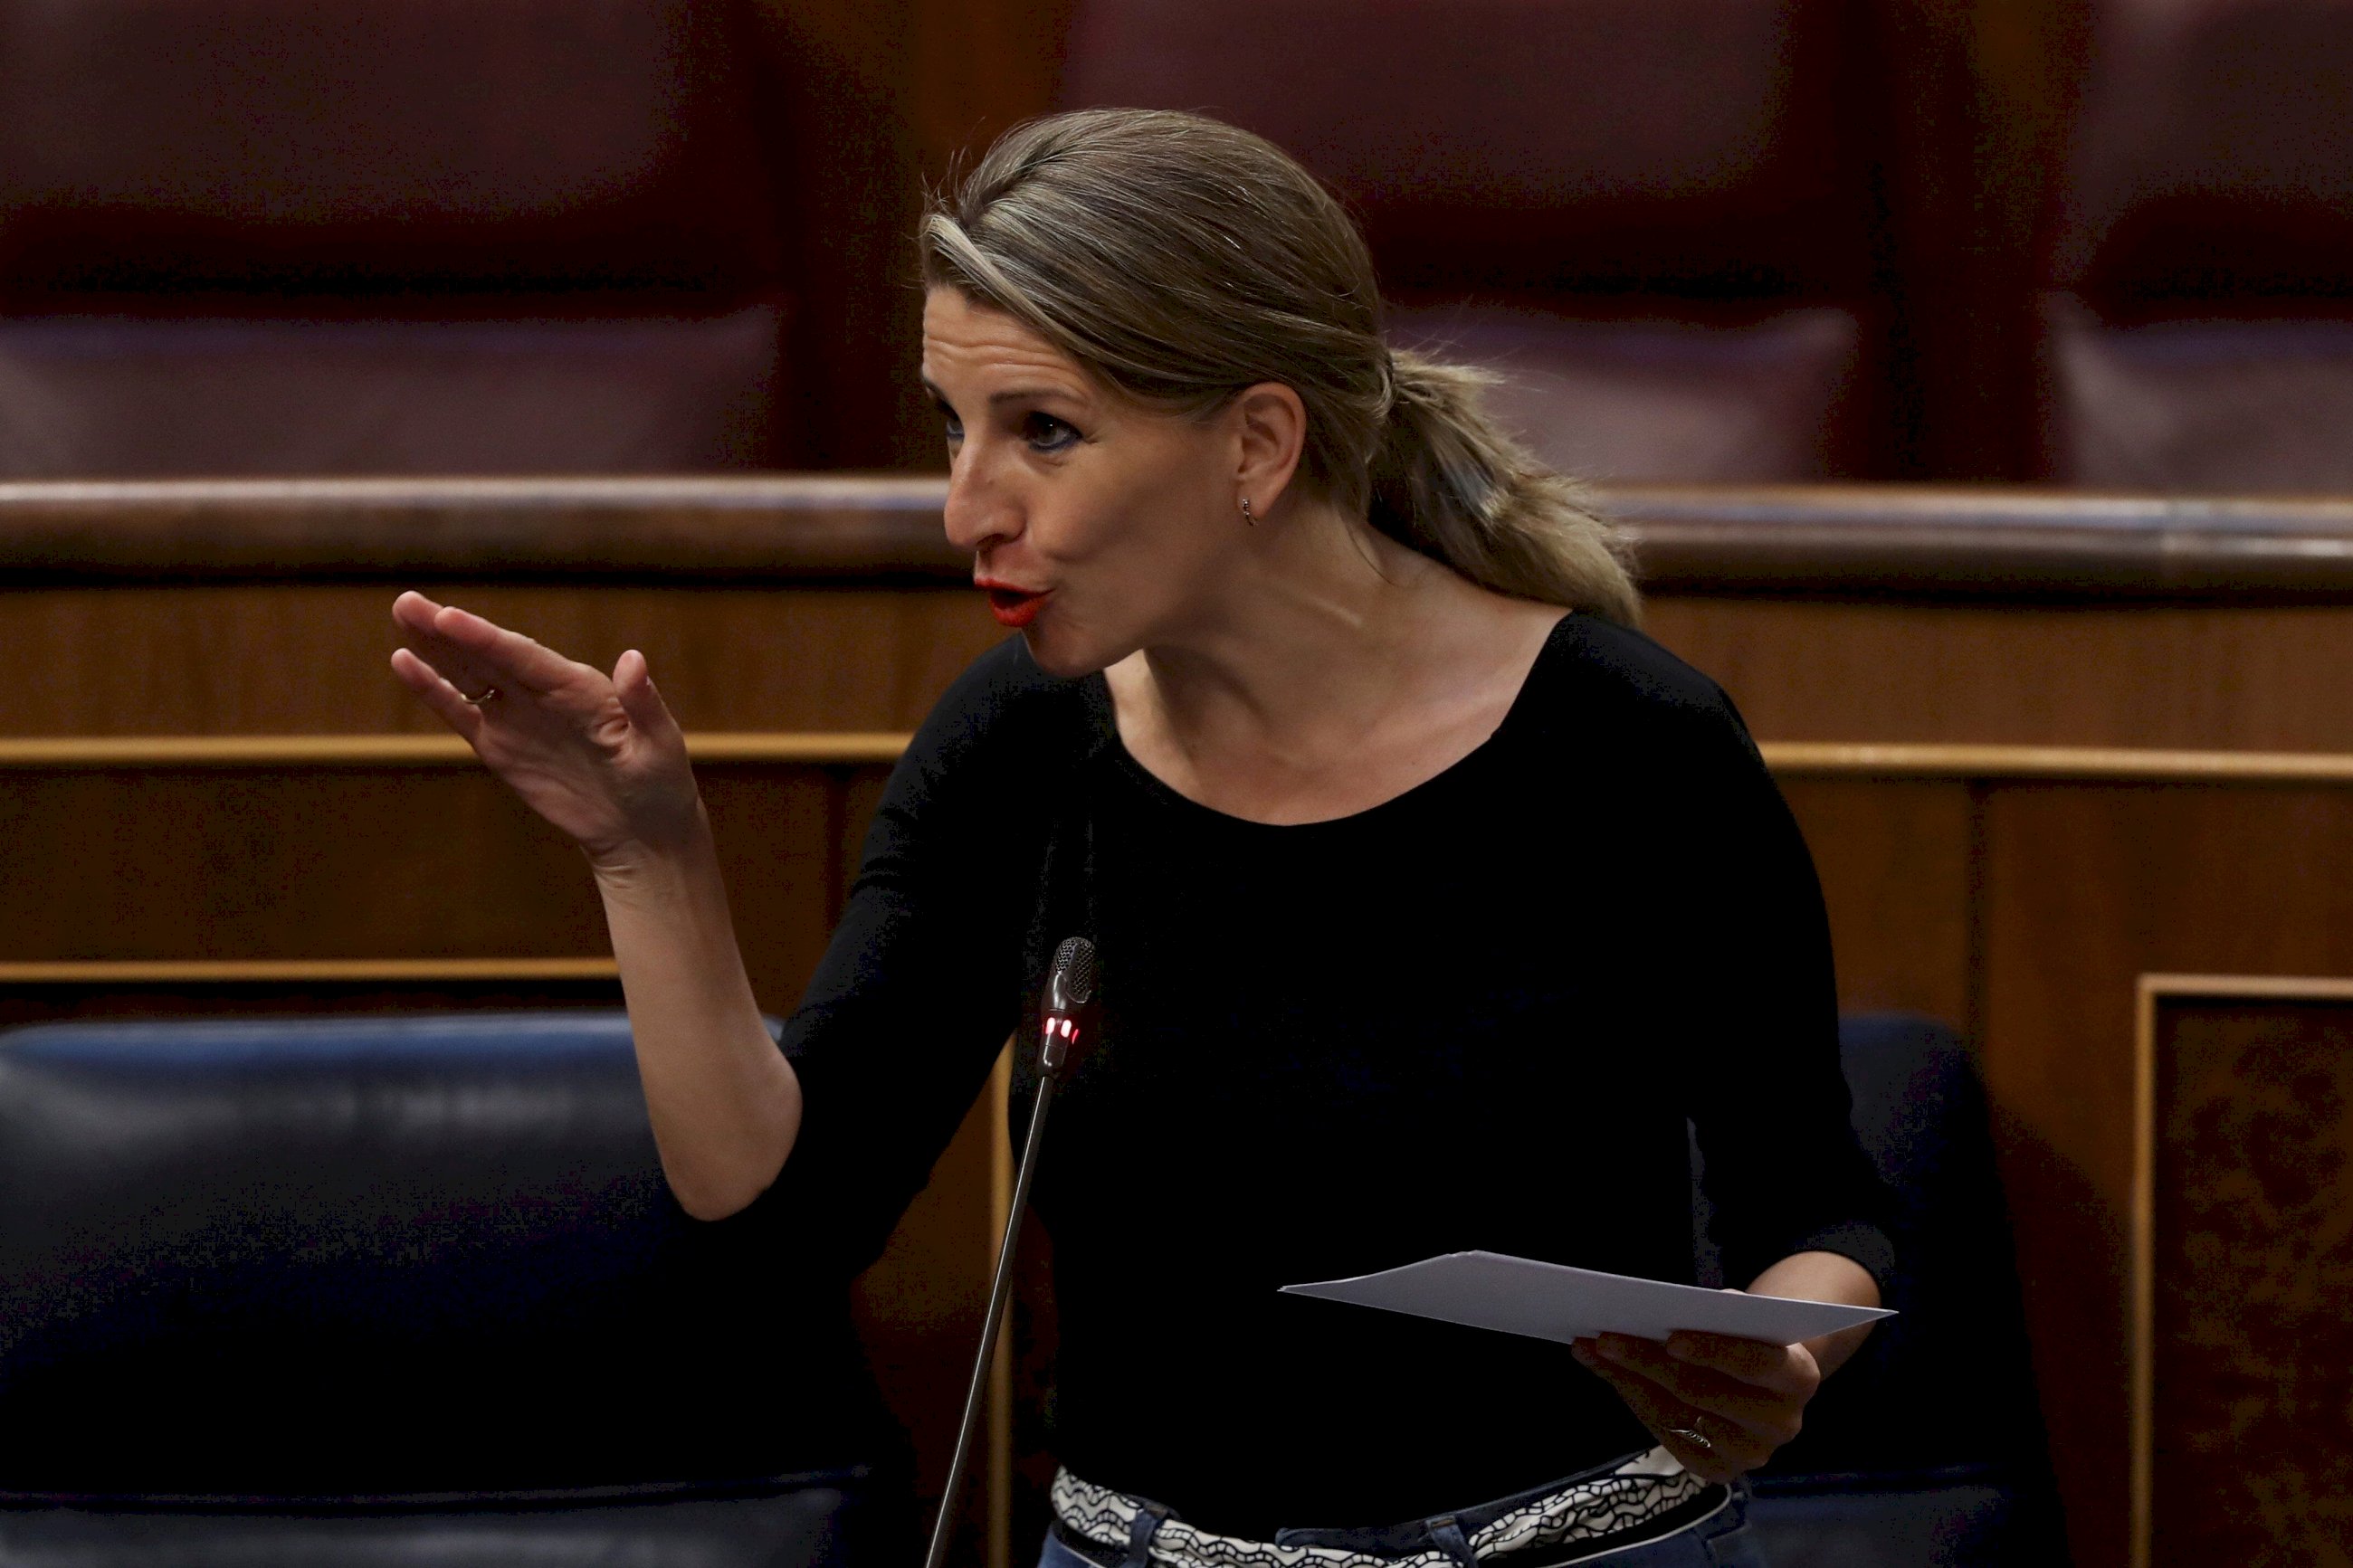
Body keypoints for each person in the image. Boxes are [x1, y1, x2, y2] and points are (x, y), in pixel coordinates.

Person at [389, 109, 1891, 1568]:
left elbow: (1817, 1215)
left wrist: (1785, 1356)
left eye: (1044, 431)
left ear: (1254, 444)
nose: (967, 506)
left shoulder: (1631, 739)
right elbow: (783, 1216)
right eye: (955, 430)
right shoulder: (1019, 746)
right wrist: (645, 854)